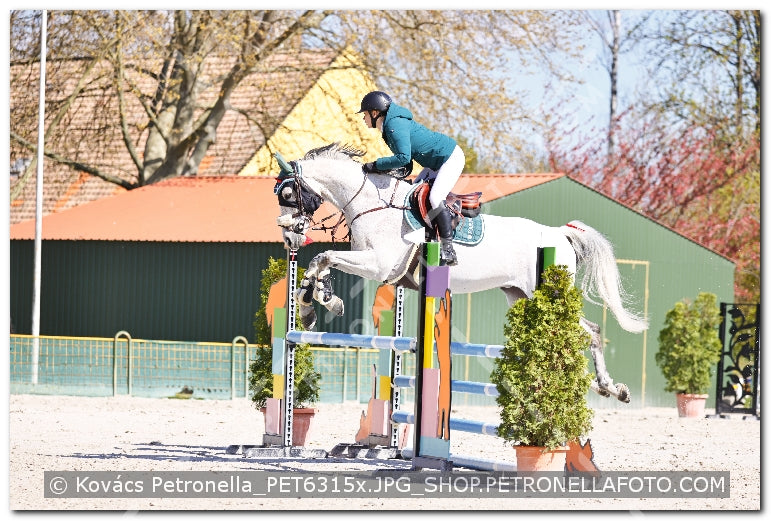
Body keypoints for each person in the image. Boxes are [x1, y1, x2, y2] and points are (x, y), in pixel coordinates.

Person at [358, 90, 464, 266]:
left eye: (365, 114)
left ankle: (448, 248)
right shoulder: (389, 126)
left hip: (450, 157)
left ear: (375, 113)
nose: (363, 118)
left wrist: (376, 165)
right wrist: (386, 173)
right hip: (433, 163)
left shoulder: (394, 125)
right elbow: (406, 165)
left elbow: (403, 158)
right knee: (410, 196)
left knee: (435, 197)